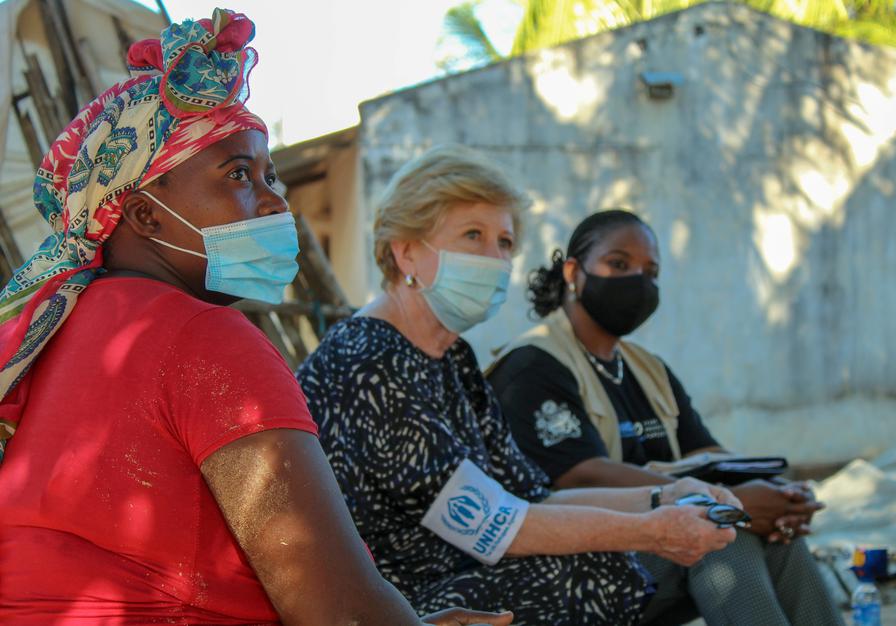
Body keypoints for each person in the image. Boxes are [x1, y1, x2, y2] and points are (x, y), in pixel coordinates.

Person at [0, 12, 511, 626]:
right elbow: (337, 611)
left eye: (270, 176)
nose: (274, 200)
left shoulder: (57, 334)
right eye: (238, 174)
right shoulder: (202, 338)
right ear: (143, 215)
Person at [296, 146, 741, 626]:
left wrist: (667, 496)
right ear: (406, 251)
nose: (495, 259)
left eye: (504, 243)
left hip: (451, 578)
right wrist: (651, 531)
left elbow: (531, 496)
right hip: (387, 607)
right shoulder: (370, 360)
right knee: (579, 571)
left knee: (611, 560)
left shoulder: (451, 358)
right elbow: (493, 524)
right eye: (473, 235)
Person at [488, 209, 845, 626]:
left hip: (653, 543)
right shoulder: (531, 366)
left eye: (650, 271)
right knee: (720, 537)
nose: (638, 281)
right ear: (573, 272)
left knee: (778, 534)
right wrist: (724, 503)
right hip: (571, 562)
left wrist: (767, 494)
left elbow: (706, 452)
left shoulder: (647, 369)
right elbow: (579, 474)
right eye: (619, 264)